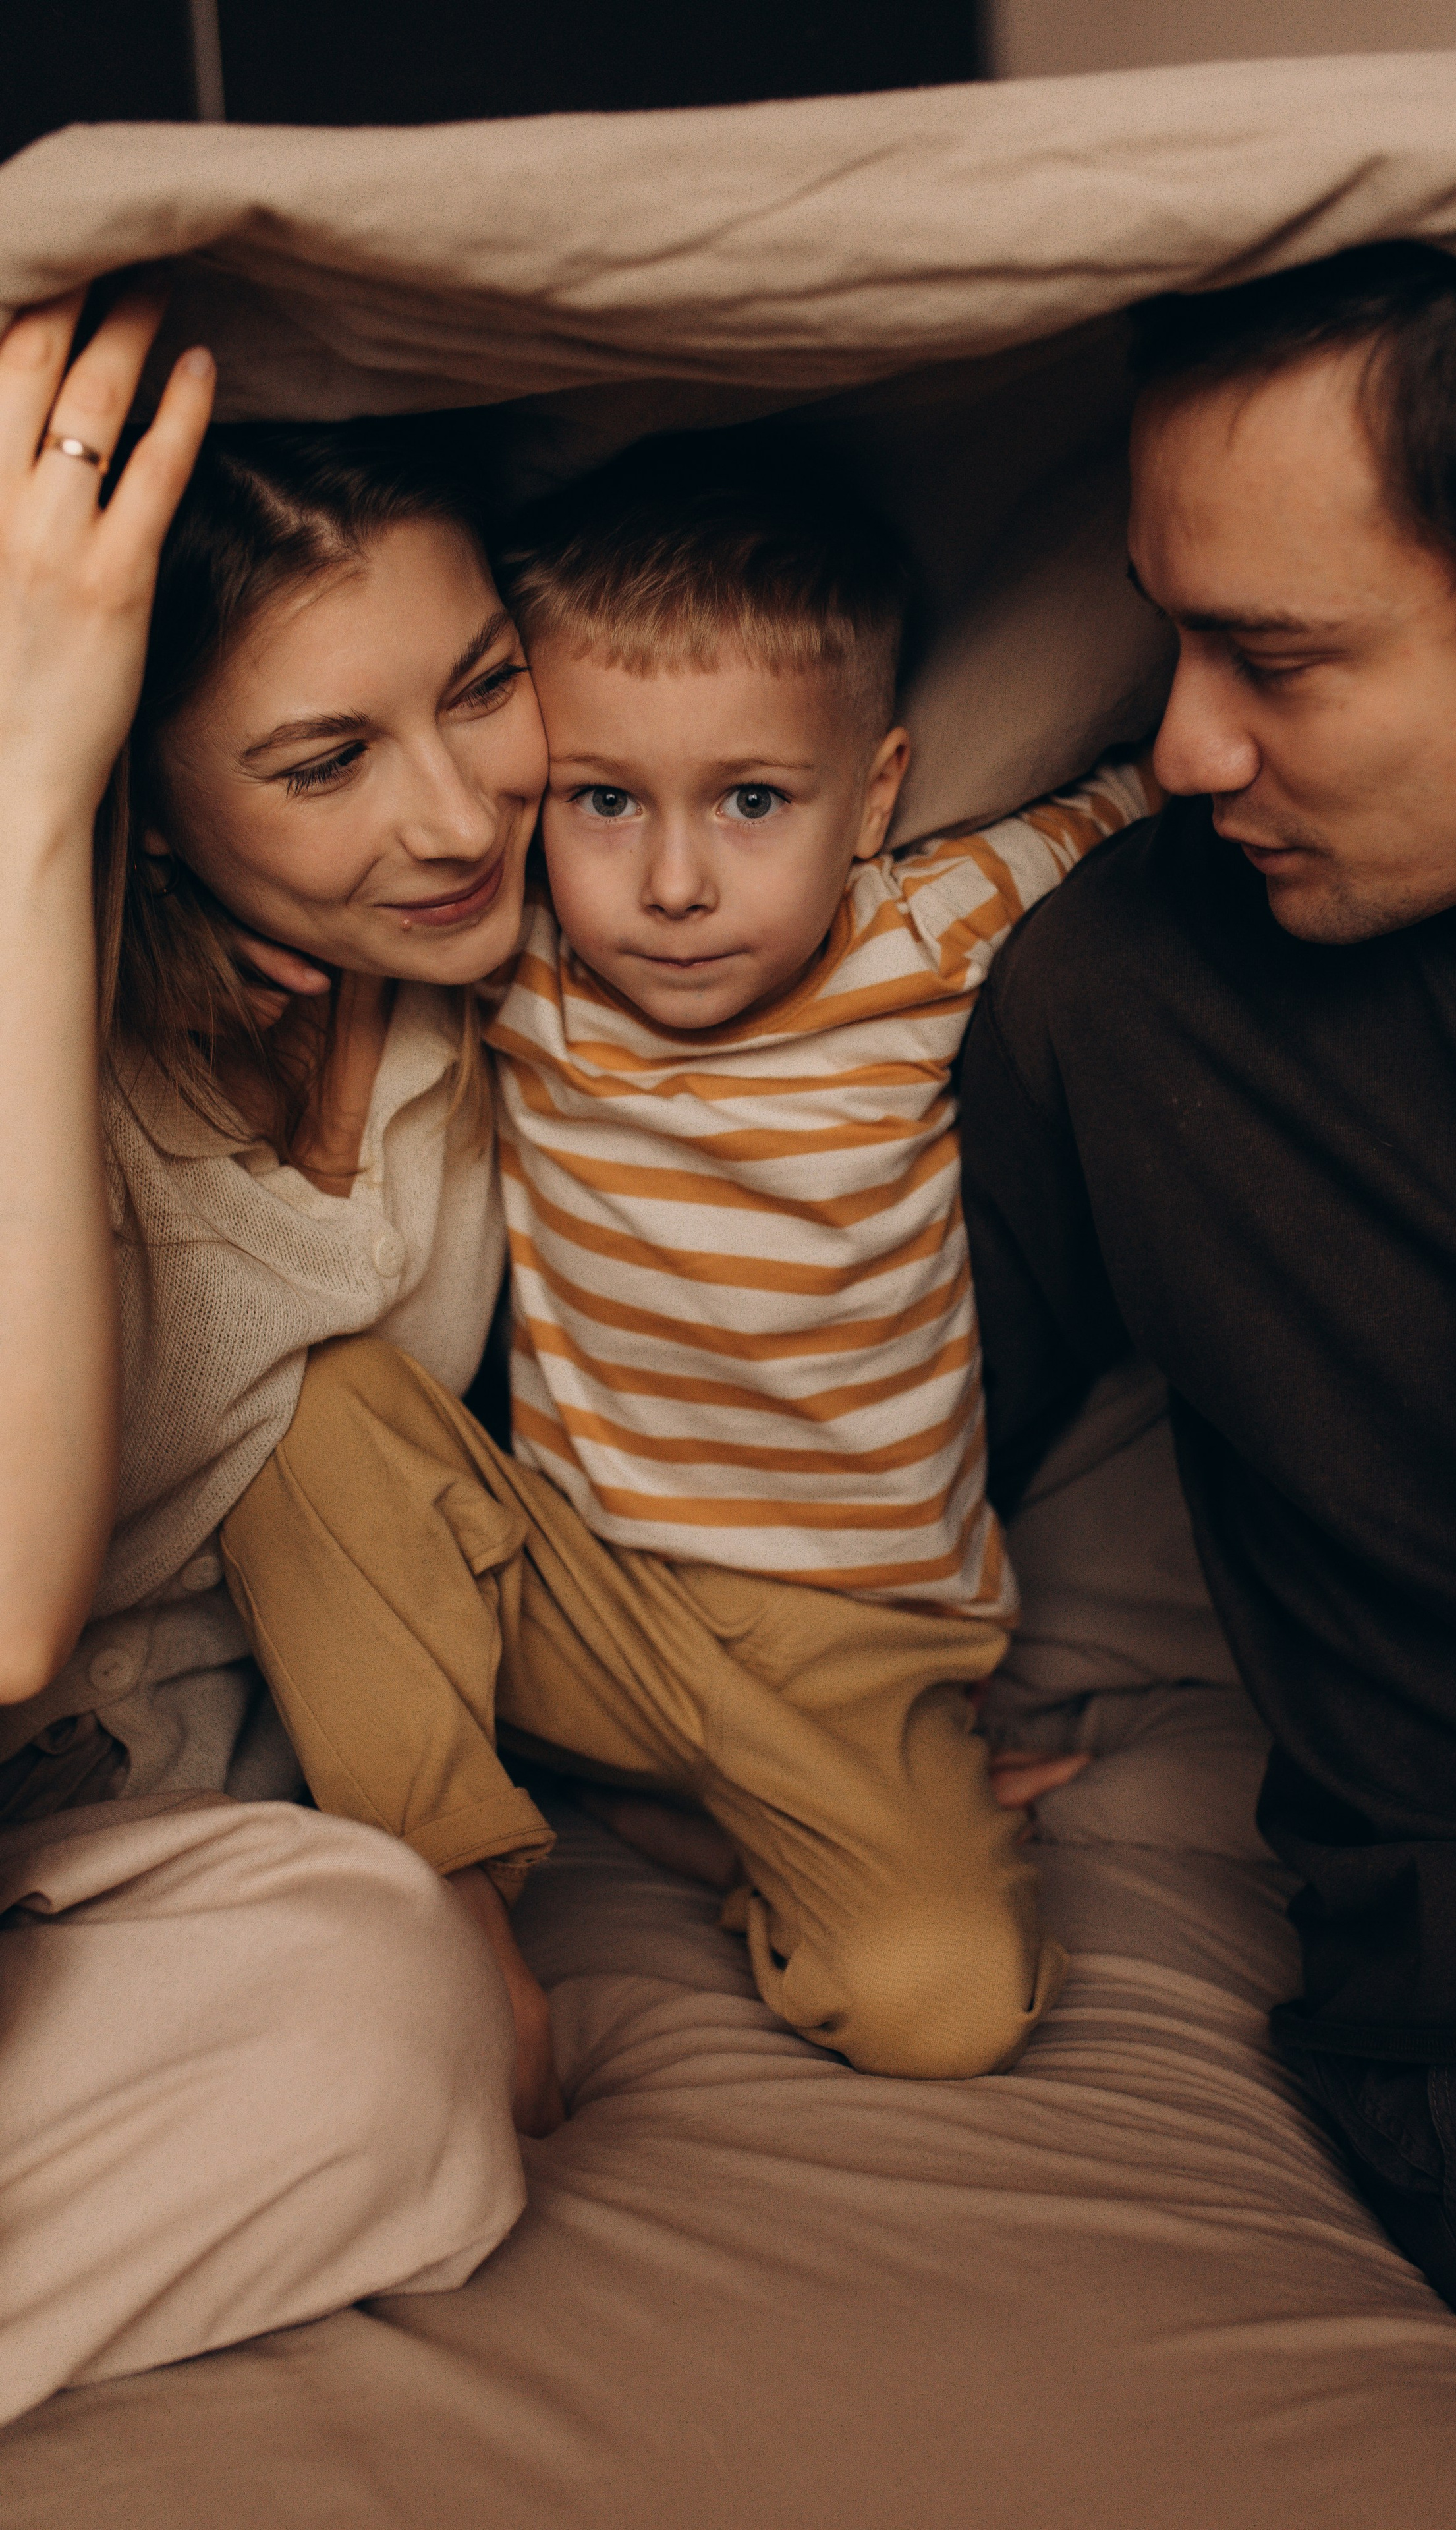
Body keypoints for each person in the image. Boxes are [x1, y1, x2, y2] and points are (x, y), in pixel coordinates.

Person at [957, 242, 1456, 2520]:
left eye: (1277, 658)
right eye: (1168, 632)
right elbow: (834, 1472)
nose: (1180, 747)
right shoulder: (1122, 1001)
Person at [216, 443, 1148, 2083]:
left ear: (871, 797)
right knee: (302, 1411)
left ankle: (704, 1819)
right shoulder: (519, 965)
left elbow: (1158, 769)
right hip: (587, 1609)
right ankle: (453, 1908)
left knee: (943, 2011)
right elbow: (330, 899)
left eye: (752, 802)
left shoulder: (929, 932)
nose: (669, 883)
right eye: (602, 801)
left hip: (854, 1654)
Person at [0, 286, 565, 2423]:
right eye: (325, 762)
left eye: (483, 688)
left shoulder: (507, 958)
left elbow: (988, 632)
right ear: (132, 806)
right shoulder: (60, 1044)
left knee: (397, 2025)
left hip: (136, 1868)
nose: (454, 816)